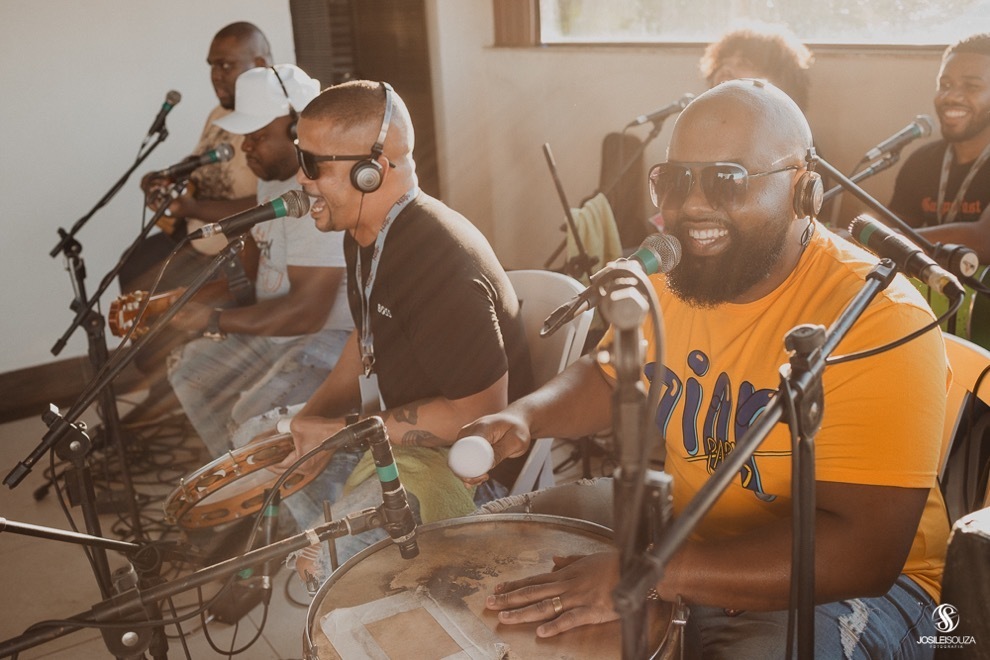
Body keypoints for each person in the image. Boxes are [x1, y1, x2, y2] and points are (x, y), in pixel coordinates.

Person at [460, 80, 950, 658]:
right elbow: (614, 373)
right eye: (675, 180)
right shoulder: (675, 278)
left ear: (803, 189)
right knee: (484, 545)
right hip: (694, 530)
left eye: (726, 179)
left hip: (869, 589)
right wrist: (524, 416)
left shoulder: (878, 316)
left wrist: (656, 575)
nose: (692, 204)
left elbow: (864, 552)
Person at [281, 79, 533, 584]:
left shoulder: (440, 267)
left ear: (372, 172)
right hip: (403, 437)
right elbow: (365, 339)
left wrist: (336, 434)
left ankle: (357, 602)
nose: (299, 179)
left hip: (470, 468)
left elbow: (477, 418)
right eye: (298, 156)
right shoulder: (364, 230)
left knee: (331, 561)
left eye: (312, 164)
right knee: (275, 457)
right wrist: (312, 422)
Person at [166, 63, 352, 455]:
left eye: (256, 136)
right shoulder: (271, 179)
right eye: (245, 137)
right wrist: (185, 301)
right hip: (279, 333)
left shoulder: (314, 194)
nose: (245, 147)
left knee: (253, 415)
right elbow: (249, 278)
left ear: (296, 129)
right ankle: (240, 486)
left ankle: (271, 497)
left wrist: (214, 320)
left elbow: (307, 313)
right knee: (190, 371)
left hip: (327, 338)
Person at [120, 22, 272, 293]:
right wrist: (162, 178)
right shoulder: (219, 114)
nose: (215, 76)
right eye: (212, 66)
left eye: (226, 66)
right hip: (193, 237)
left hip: (236, 255)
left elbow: (270, 203)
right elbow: (196, 163)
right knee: (132, 267)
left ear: (259, 64)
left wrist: (192, 209)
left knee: (167, 314)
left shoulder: (276, 123)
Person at [889, 33, 990, 348]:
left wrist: (893, 241)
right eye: (945, 85)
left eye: (971, 86)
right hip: (926, 326)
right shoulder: (922, 160)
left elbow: (984, 239)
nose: (951, 97)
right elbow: (888, 224)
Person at [699, 22, 814, 111]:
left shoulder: (795, 138)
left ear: (777, 80)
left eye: (743, 64)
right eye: (723, 62)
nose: (726, 69)